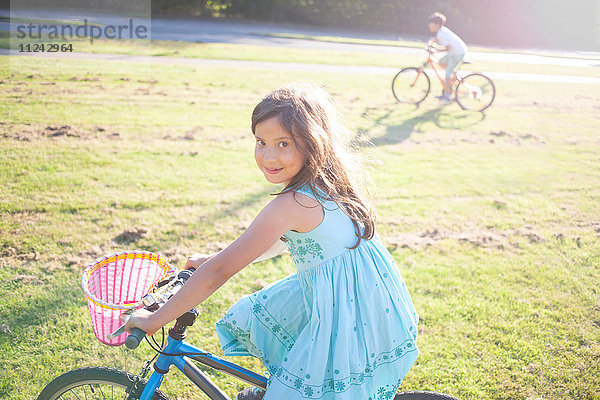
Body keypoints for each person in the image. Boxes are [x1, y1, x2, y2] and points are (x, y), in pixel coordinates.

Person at [124, 82, 420, 400]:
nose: (267, 156)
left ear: (312, 144)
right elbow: (280, 242)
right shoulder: (327, 181)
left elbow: (219, 273)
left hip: (348, 315)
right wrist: (212, 258)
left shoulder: (291, 203)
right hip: (366, 302)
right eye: (261, 142)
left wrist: (155, 318)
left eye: (283, 144)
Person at [428, 12, 469, 103]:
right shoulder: (441, 31)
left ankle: (447, 96)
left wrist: (436, 50)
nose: (429, 25)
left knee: (447, 74)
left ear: (437, 24)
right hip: (454, 52)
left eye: (431, 23)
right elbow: (437, 40)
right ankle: (451, 79)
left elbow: (448, 48)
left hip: (457, 53)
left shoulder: (441, 33)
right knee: (441, 62)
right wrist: (431, 43)